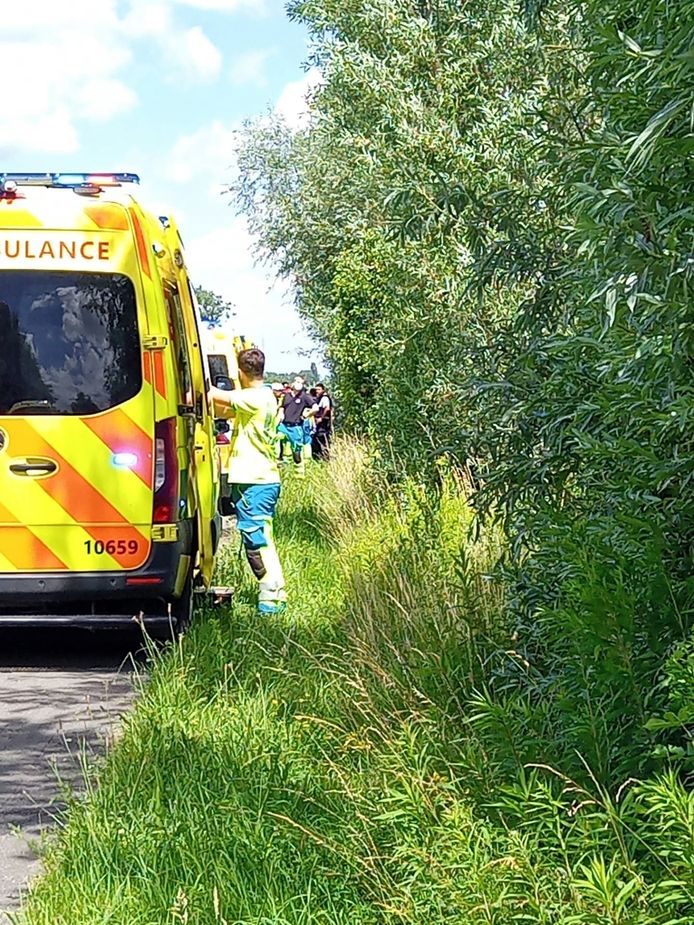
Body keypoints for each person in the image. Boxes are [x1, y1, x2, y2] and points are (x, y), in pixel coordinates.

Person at [211, 348, 286, 615]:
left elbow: (213, 395)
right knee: (260, 537)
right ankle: (274, 593)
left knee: (257, 540)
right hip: (259, 478)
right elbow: (223, 409)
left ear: (240, 373)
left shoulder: (253, 397)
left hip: (256, 479)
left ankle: (272, 596)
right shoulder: (263, 397)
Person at [277, 377, 317, 476]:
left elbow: (315, 407)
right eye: (297, 381)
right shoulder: (286, 395)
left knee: (296, 451)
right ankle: (281, 466)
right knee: (275, 440)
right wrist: (280, 415)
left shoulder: (304, 397)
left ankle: (299, 474)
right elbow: (282, 407)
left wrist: (306, 415)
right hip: (283, 425)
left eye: (300, 382)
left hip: (296, 427)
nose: (298, 384)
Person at [312, 382, 333, 460]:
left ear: (323, 390)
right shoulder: (319, 398)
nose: (317, 391)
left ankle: (324, 457)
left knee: (322, 439)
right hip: (321, 423)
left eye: (319, 389)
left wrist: (321, 418)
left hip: (323, 423)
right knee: (318, 439)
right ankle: (320, 457)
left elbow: (327, 408)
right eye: (316, 389)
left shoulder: (324, 398)